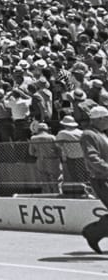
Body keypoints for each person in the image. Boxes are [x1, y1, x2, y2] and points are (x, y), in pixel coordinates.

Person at [79, 105, 108, 252]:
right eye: (107, 118)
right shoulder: (88, 135)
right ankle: (93, 232)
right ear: (99, 119)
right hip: (101, 178)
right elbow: (92, 158)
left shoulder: (101, 134)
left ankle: (93, 232)